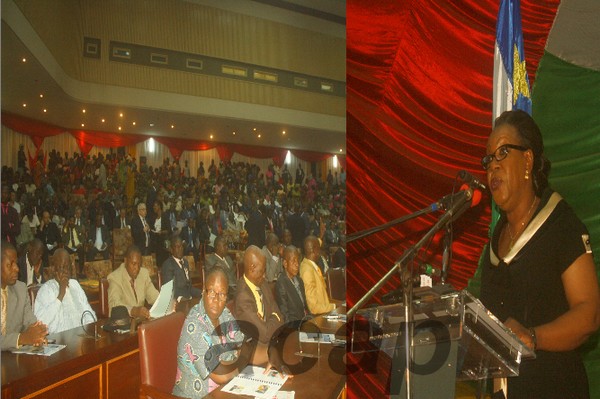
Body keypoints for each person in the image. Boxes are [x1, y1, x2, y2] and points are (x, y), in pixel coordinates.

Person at [479, 110, 600, 399]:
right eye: (488, 159)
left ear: (528, 160)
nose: (493, 166)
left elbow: (590, 314)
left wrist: (533, 337)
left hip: (554, 387)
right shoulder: (496, 241)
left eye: (503, 153)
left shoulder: (560, 226)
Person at [172, 267, 246, 398]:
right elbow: (220, 375)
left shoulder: (225, 314)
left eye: (222, 294)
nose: (216, 300)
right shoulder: (194, 325)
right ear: (203, 292)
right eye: (212, 292)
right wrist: (243, 362)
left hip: (224, 392)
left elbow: (244, 346)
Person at [33, 249, 96, 334]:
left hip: (82, 338)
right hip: (61, 341)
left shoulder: (75, 285)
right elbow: (41, 323)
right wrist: (61, 294)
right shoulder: (46, 289)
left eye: (68, 267)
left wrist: (90, 329)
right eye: (62, 267)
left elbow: (88, 312)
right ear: (54, 269)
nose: (66, 271)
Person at [1, 241, 48, 350]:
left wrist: (38, 333)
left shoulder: (20, 289)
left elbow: (30, 322)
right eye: (10, 264)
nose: (17, 268)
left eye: (16, 263)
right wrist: (21, 338)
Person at [234, 245, 283, 345]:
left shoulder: (262, 283)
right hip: (254, 348)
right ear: (252, 268)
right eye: (262, 270)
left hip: (272, 340)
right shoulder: (243, 296)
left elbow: (280, 316)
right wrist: (273, 317)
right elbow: (264, 334)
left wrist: (267, 322)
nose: (264, 275)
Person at [107, 245, 159, 319]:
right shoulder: (115, 278)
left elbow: (154, 297)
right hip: (124, 323)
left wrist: (167, 303)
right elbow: (114, 305)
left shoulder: (144, 274)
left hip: (141, 323)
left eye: (139, 264)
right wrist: (133, 311)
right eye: (133, 264)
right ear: (125, 261)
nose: (137, 269)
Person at [299, 236, 335, 315]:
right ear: (315, 250)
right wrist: (334, 307)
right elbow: (314, 308)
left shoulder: (310, 265)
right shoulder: (307, 271)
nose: (320, 252)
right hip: (320, 318)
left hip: (326, 311)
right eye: (319, 248)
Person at [161, 237, 201, 302]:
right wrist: (180, 298)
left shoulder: (185, 262)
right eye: (177, 247)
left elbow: (189, 287)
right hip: (177, 301)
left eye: (182, 246)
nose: (181, 249)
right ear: (171, 249)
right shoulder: (168, 265)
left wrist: (202, 293)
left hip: (188, 298)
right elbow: (169, 290)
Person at [275, 246, 308, 323]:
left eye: (298, 261)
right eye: (293, 261)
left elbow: (304, 307)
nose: (297, 264)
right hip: (293, 325)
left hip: (305, 321)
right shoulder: (281, 284)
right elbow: (285, 315)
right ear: (285, 264)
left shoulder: (299, 280)